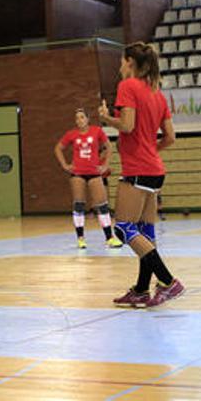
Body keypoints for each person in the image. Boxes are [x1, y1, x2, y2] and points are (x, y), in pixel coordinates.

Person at [98, 42, 184, 308]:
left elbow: (127, 124)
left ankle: (169, 282)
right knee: (145, 231)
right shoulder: (158, 94)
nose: (120, 66)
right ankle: (141, 290)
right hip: (155, 170)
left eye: (122, 61)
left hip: (137, 170)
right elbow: (170, 137)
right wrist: (150, 149)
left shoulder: (128, 87)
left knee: (123, 228)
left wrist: (106, 118)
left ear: (130, 63)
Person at [54, 108, 122, 249]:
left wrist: (105, 165)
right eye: (77, 118)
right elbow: (58, 148)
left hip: (94, 172)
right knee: (79, 204)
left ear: (87, 119)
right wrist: (65, 165)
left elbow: (109, 146)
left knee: (102, 205)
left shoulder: (97, 131)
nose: (79, 120)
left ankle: (109, 238)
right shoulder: (71, 134)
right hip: (77, 173)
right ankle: (80, 238)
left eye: (82, 117)